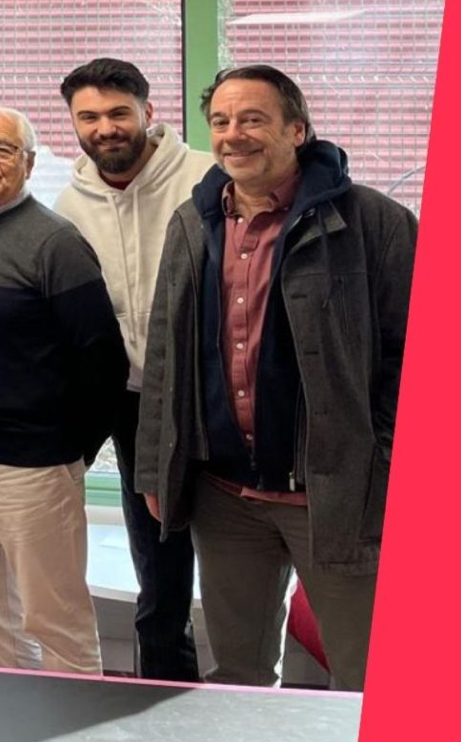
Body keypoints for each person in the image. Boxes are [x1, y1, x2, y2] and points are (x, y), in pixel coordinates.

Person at [137, 65, 416, 691]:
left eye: (253, 119)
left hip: (337, 497)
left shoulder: (374, 223)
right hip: (225, 497)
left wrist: (384, 462)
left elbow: (414, 358)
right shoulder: (193, 222)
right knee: (238, 675)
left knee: (368, 679)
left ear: (297, 129)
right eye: (220, 121)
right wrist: (156, 466)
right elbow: (166, 354)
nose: (233, 134)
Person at [0, 106, 126, 675]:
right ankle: (7, 713)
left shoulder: (55, 243)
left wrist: (67, 450)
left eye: (3, 149)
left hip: (34, 467)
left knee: (54, 617)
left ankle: (76, 718)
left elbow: (105, 362)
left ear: (30, 161)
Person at [52, 57, 217, 681]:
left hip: (210, 392)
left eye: (119, 113)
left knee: (233, 549)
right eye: (89, 117)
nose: (105, 128)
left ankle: (245, 688)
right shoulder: (69, 204)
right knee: (158, 558)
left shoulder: (206, 178)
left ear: (149, 112)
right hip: (131, 401)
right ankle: (163, 689)